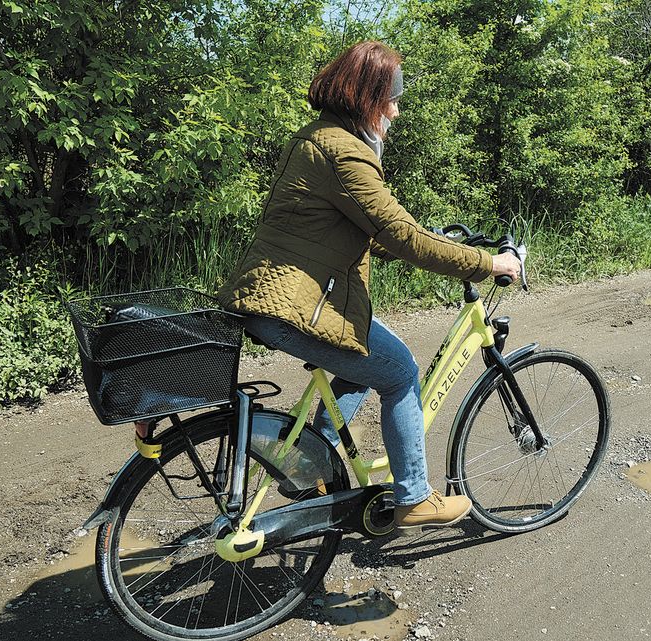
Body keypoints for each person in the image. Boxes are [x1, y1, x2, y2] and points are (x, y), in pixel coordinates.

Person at [218, 41, 520, 532]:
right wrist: (487, 263)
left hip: (276, 297)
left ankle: (306, 461)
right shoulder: (344, 152)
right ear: (368, 99)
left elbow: (363, 231)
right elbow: (398, 234)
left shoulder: (316, 138)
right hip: (294, 306)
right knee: (399, 371)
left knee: (364, 355)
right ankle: (415, 498)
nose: (397, 113)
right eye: (393, 101)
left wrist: (437, 244)